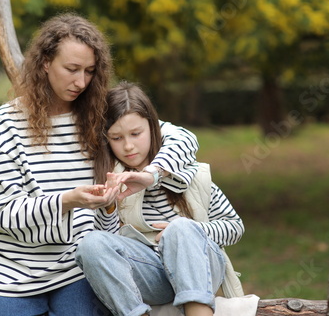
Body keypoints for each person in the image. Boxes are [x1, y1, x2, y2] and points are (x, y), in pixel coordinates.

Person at [0, 14, 200, 316]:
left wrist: (150, 175)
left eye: (89, 71)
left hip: (78, 269)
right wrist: (67, 201)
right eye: (71, 69)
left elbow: (182, 138)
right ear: (44, 63)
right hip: (12, 273)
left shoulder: (98, 115)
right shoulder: (4, 124)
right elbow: (4, 214)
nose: (81, 82)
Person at [75, 81, 245, 316]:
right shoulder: (111, 178)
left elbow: (235, 227)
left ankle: (197, 311)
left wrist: (192, 230)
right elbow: (111, 249)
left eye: (136, 133)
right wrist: (109, 207)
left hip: (200, 266)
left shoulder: (190, 176)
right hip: (151, 274)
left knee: (181, 229)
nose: (128, 146)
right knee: (91, 244)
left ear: (154, 128)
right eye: (116, 138)